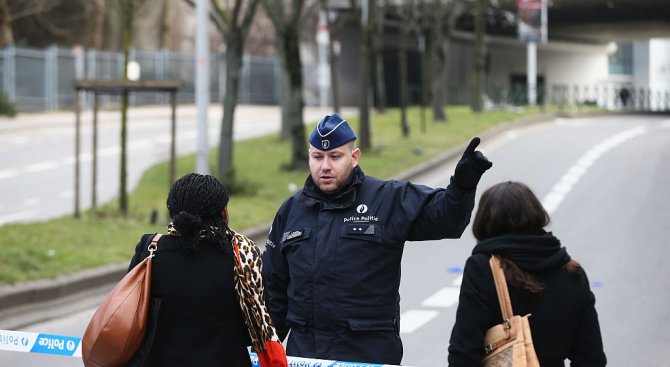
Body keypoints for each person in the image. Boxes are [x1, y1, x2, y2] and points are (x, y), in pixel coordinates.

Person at [262, 113, 493, 364]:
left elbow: (446, 220)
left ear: (354, 157)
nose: (325, 166)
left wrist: (461, 187)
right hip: (306, 356)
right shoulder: (291, 211)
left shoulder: (387, 198)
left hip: (369, 355)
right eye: (317, 157)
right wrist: (261, 352)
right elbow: (273, 293)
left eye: (335, 156)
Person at [125, 173, 287, 367]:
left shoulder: (150, 249)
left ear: (173, 212)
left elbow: (129, 314)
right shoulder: (243, 258)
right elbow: (252, 331)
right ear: (223, 213)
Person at [448, 181, 607, 366]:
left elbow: (464, 353)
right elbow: (591, 358)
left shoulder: (483, 269)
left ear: (484, 221)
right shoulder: (571, 271)